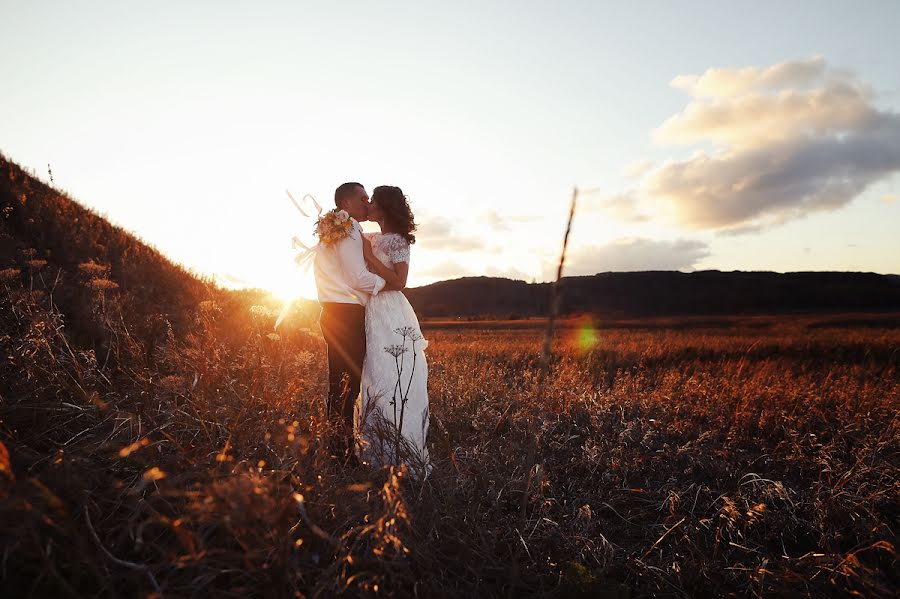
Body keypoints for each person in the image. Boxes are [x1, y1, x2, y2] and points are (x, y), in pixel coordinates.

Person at [357, 185, 431, 477]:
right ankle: (374, 452)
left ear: (384, 207)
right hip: (369, 310)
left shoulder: (398, 241)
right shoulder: (370, 237)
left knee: (393, 376)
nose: (369, 204)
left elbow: (400, 282)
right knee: (373, 375)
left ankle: (402, 452)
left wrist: (370, 258)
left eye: (373, 200)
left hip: (390, 311)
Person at [313, 182, 386, 463]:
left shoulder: (335, 227)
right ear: (346, 204)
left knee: (340, 385)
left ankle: (336, 449)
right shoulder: (349, 227)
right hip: (345, 314)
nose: (368, 202)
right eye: (363, 198)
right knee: (347, 386)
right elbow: (357, 278)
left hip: (333, 312)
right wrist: (389, 284)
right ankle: (341, 455)